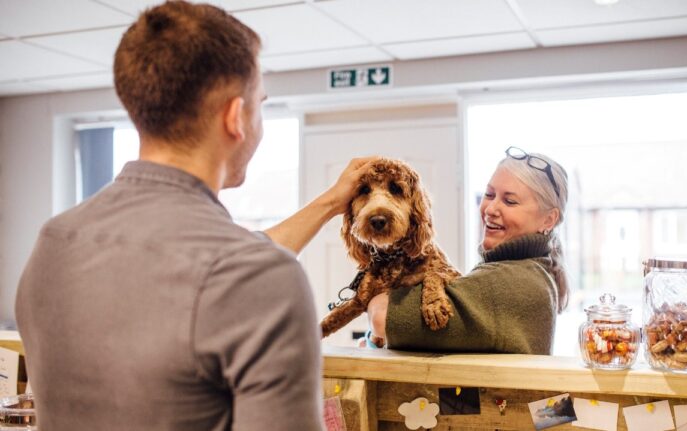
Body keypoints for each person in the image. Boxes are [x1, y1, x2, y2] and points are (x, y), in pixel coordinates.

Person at [15, 2, 374, 430]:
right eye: (260, 104)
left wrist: (332, 202)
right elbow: (234, 272)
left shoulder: (54, 243)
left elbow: (213, 267)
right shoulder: (258, 277)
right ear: (235, 116)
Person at [365, 146, 569, 354]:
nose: (490, 209)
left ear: (548, 219)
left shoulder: (512, 282)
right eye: (489, 195)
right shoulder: (529, 270)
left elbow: (382, 317)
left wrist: (374, 298)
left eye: (509, 201)